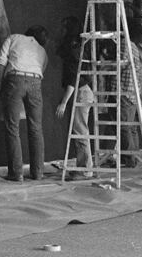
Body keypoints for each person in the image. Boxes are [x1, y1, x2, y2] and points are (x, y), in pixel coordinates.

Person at [0, 25, 48, 182]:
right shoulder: (42, 50)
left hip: (15, 80)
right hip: (35, 82)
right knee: (36, 128)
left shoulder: (14, 38)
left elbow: (0, 61)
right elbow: (42, 70)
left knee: (12, 127)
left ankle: (16, 173)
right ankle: (38, 173)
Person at [55, 16, 94, 180]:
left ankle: (85, 170)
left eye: (64, 27)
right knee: (80, 130)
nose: (61, 30)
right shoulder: (79, 46)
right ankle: (84, 167)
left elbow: (73, 78)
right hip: (84, 91)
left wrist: (63, 102)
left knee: (80, 131)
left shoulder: (73, 50)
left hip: (81, 91)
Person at [103, 21, 142, 168]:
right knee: (130, 127)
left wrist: (102, 65)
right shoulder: (133, 46)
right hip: (131, 92)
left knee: (124, 126)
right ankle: (132, 158)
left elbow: (120, 63)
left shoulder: (125, 44)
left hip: (123, 91)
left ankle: (129, 159)